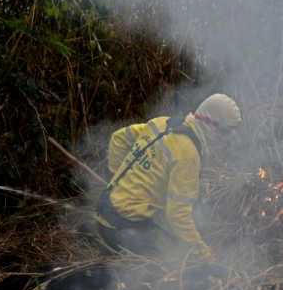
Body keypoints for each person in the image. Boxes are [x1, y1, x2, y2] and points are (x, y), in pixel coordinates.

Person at [96, 94, 242, 260]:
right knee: (176, 259)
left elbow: (118, 138)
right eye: (225, 132)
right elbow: (177, 215)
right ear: (209, 123)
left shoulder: (163, 123)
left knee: (169, 236)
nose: (227, 140)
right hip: (122, 230)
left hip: (104, 212)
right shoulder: (188, 155)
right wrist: (203, 253)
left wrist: (118, 179)